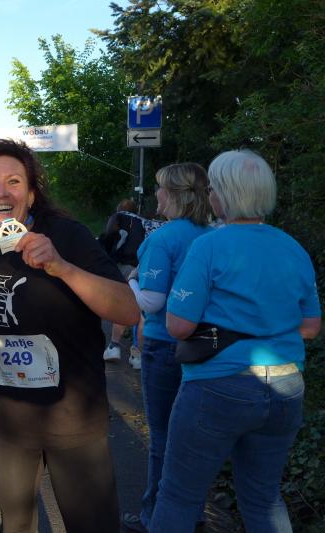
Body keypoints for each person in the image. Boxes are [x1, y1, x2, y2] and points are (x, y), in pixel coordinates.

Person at [0, 139, 139, 533]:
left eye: (13, 181)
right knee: (15, 524)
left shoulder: (67, 235)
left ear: (31, 192)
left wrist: (62, 267)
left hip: (74, 418)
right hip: (10, 423)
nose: (1, 193)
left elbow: (128, 310)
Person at [150, 150, 321, 531]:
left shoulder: (209, 246)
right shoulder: (292, 247)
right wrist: (267, 327)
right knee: (264, 499)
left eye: (213, 188)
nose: (210, 194)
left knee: (178, 496)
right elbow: (311, 327)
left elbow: (178, 326)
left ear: (225, 194)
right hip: (286, 387)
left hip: (217, 386)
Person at [122, 163, 213, 532]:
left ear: (173, 194)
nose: (156, 194)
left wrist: (130, 282)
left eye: (160, 188)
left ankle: (153, 516)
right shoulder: (210, 233)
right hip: (206, 345)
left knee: (162, 437)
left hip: (164, 345)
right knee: (194, 436)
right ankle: (193, 513)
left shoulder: (163, 238)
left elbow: (151, 301)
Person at [100, 198, 163, 367]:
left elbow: (109, 236)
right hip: (144, 267)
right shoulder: (144, 222)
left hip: (126, 266)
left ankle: (114, 346)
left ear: (120, 209)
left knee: (123, 304)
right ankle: (137, 355)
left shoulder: (119, 217)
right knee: (142, 312)